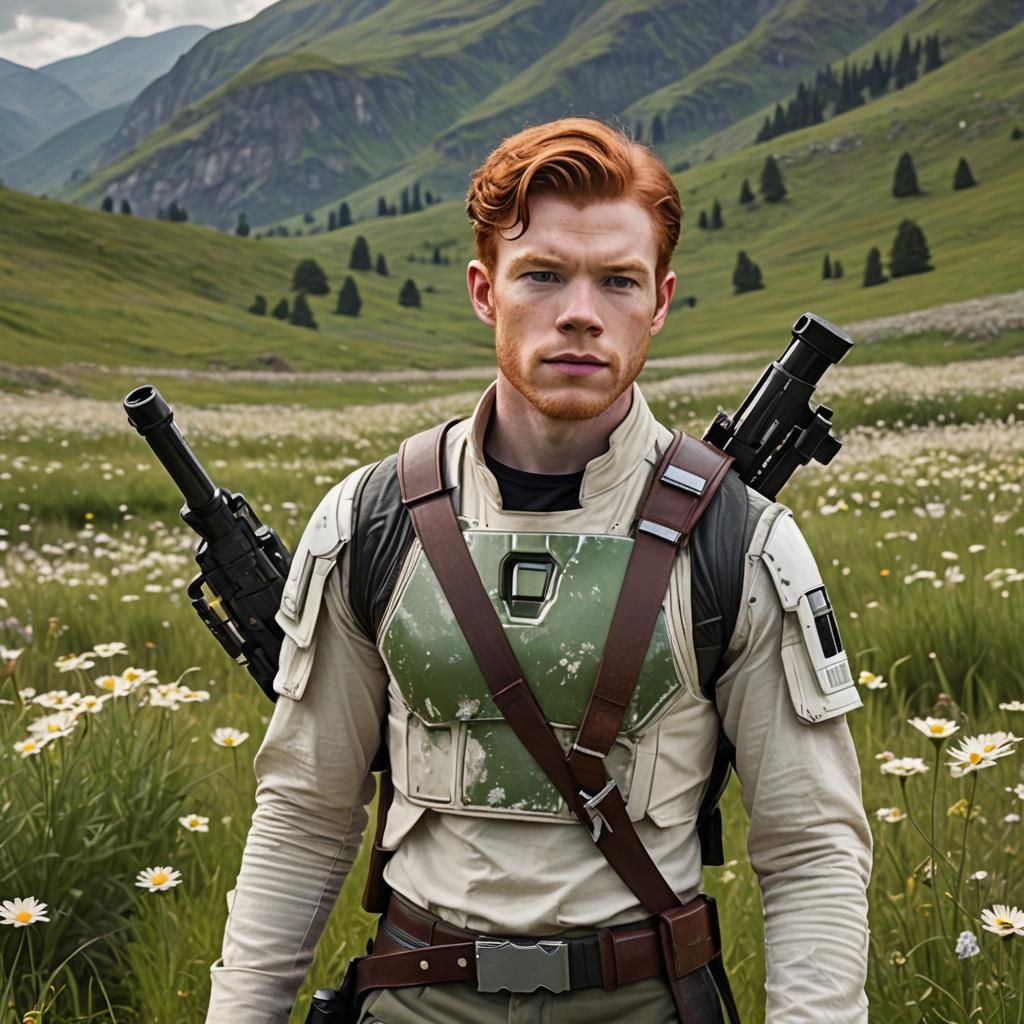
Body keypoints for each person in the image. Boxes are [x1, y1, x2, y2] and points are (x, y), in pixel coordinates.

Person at [205, 117, 871, 1024]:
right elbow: (304, 815)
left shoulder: (741, 543)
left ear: (661, 300)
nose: (581, 313)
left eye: (618, 281)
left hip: (642, 1003)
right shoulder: (368, 522)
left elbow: (812, 849)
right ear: (487, 291)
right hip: (417, 999)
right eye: (544, 274)